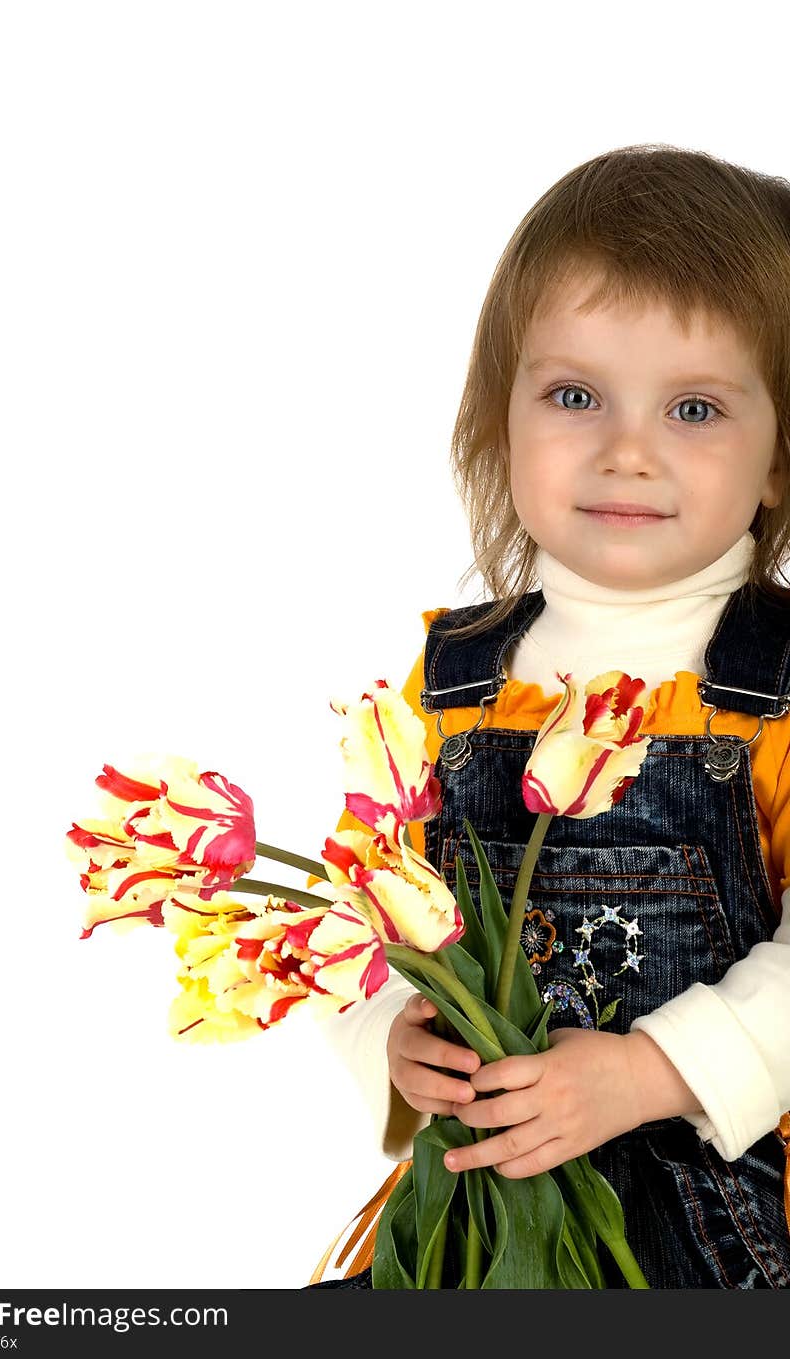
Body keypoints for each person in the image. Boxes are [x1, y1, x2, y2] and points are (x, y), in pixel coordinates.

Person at [308, 142, 790, 1290]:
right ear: (502, 415)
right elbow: (360, 908)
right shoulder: (454, 686)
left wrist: (656, 1072)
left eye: (693, 408)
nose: (626, 450)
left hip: (722, 1215)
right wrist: (394, 1039)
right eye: (575, 395)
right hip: (486, 1211)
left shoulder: (772, 691)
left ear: (780, 459)